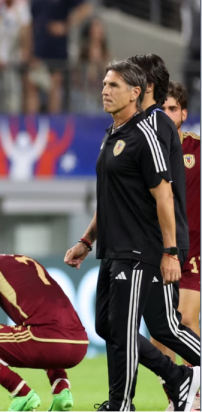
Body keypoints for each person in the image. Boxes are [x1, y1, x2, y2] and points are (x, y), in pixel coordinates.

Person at [63, 60, 199, 412]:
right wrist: (88, 239)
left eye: (114, 85)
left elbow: (164, 194)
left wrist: (170, 250)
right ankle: (179, 377)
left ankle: (121, 404)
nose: (105, 91)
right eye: (104, 84)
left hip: (141, 247)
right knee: (109, 325)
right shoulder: (114, 135)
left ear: (136, 92)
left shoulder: (147, 133)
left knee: (129, 328)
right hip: (113, 247)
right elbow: (110, 196)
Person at [0, 251, 88, 412]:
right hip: (80, 343)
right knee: (40, 334)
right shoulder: (25, 261)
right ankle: (62, 390)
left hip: (49, 341)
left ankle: (22, 394)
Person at [157, 81, 201, 411]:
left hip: (193, 252)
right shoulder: (146, 149)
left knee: (184, 320)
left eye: (172, 108)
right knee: (160, 336)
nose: (166, 114)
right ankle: (177, 397)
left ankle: (196, 395)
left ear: (183, 114)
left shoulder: (197, 151)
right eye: (161, 108)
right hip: (156, 252)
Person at [28, 0, 91, 113]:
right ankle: (31, 123)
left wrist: (67, 25)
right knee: (32, 85)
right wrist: (30, 49)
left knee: (55, 86)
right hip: (39, 49)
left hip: (57, 50)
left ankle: (53, 122)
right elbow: (32, 23)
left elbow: (86, 8)